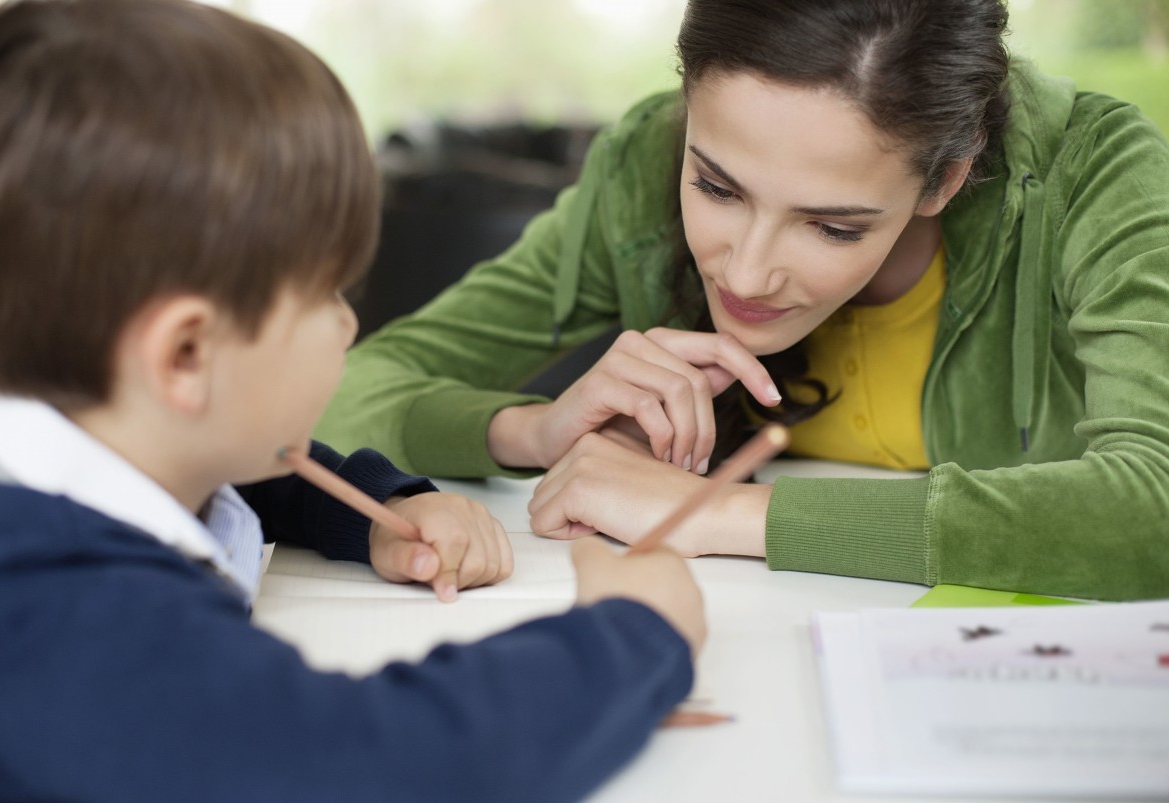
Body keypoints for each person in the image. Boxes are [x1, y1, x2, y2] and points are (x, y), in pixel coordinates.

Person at [0, 1, 706, 803]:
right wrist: (633, 633)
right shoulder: (61, 624)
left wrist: (375, 509)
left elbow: (242, 473)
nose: (348, 325)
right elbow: (399, 771)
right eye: (326, 295)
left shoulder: (30, 456)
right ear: (185, 355)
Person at [318, 0, 1169, 602]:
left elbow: (1152, 505)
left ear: (946, 179)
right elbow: (339, 388)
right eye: (717, 187)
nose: (749, 275)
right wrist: (534, 431)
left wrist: (715, 512)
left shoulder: (1093, 173)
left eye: (832, 226)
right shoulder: (639, 167)